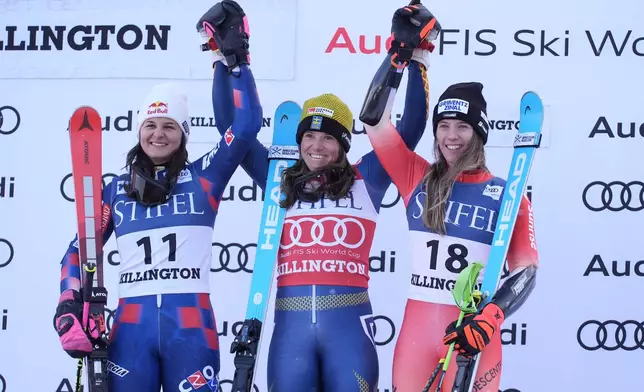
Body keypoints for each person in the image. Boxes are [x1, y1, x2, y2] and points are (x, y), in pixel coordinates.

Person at [209, 2, 437, 390]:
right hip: (290, 334)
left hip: (349, 333)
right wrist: (228, 60)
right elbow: (232, 129)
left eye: (328, 137)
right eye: (309, 137)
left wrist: (413, 58)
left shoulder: (368, 177)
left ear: (344, 145)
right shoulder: (278, 177)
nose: (316, 146)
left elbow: (411, 126)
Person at [53, 5, 263, 390]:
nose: (158, 134)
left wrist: (235, 61)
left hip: (191, 329)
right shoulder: (114, 190)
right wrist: (69, 302)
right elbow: (78, 251)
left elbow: (246, 124)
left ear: (183, 133)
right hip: (132, 331)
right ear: (139, 132)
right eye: (150, 125)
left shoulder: (204, 177)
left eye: (169, 126)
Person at [361, 57, 540, 391]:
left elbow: (526, 271)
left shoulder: (508, 193)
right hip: (416, 341)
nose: (451, 136)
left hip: (474, 338)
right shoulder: (416, 176)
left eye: (462, 126)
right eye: (443, 126)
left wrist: (492, 317)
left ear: (479, 132)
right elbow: (374, 121)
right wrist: (401, 57)